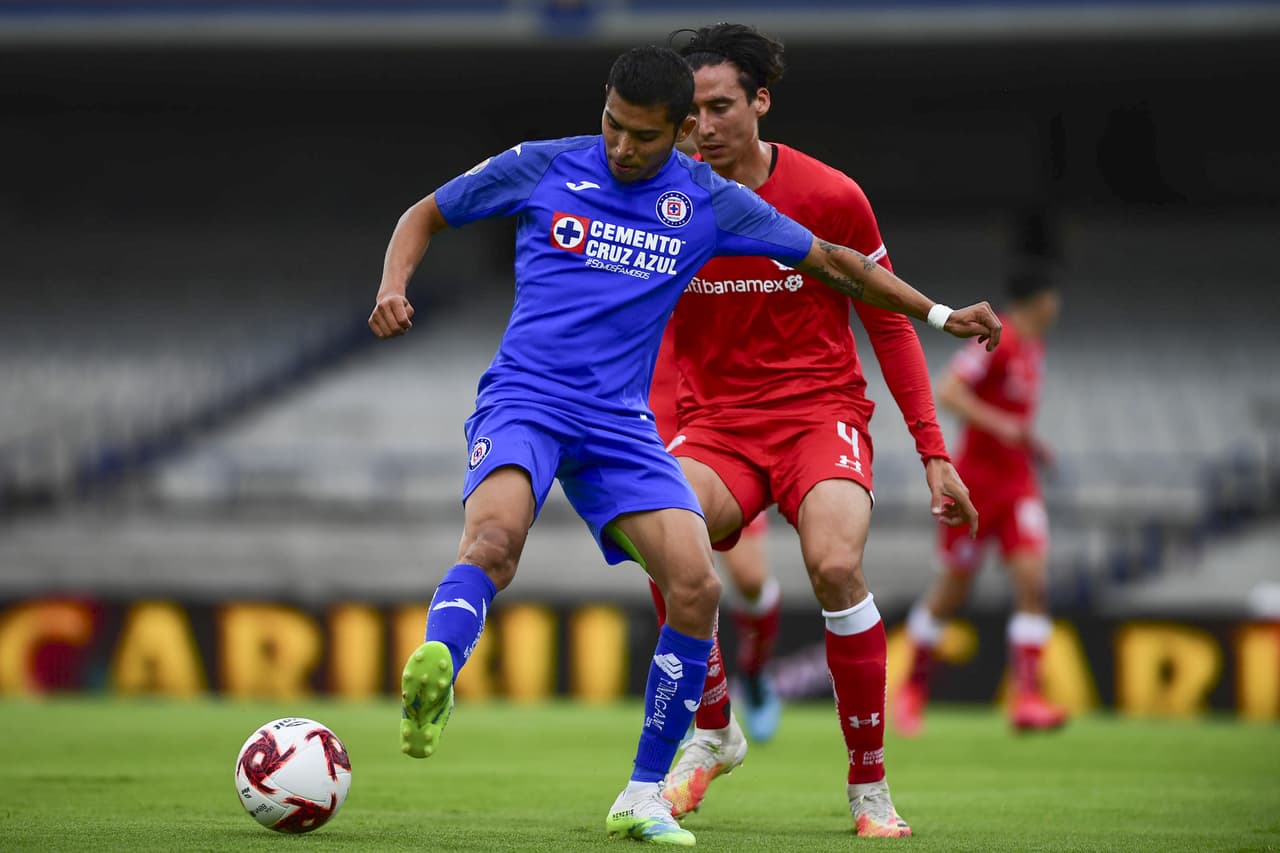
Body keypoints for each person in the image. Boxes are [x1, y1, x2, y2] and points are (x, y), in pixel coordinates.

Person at [369, 44, 1000, 846]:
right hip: (541, 400)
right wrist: (392, 286)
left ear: (682, 132)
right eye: (612, 125)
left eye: (646, 134)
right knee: (498, 540)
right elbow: (425, 212)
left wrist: (939, 317)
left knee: (712, 581)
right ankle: (441, 663)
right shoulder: (545, 164)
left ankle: (654, 791)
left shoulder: (712, 201)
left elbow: (836, 263)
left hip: (668, 421)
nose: (622, 146)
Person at [634, 23, 983, 838]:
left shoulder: (830, 196)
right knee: (660, 532)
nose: (703, 126)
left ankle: (870, 787)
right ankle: (714, 731)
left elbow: (887, 320)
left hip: (819, 416)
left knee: (832, 564)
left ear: (761, 101)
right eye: (691, 112)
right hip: (717, 426)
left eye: (721, 107)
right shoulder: (661, 197)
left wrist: (933, 451)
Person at [895, 264, 1066, 735]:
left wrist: (1029, 442)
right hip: (977, 486)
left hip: (1018, 486)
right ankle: (913, 689)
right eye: (1054, 296)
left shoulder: (1033, 349)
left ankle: (1027, 698)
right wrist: (1002, 425)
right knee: (952, 591)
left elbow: (1013, 418)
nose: (1058, 305)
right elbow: (949, 391)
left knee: (1033, 583)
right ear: (1041, 299)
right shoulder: (999, 339)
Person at [646, 325, 783, 746]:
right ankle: (696, 702)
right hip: (654, 432)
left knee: (750, 579)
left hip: (717, 433)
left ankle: (755, 673)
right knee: (674, 577)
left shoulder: (706, 285)